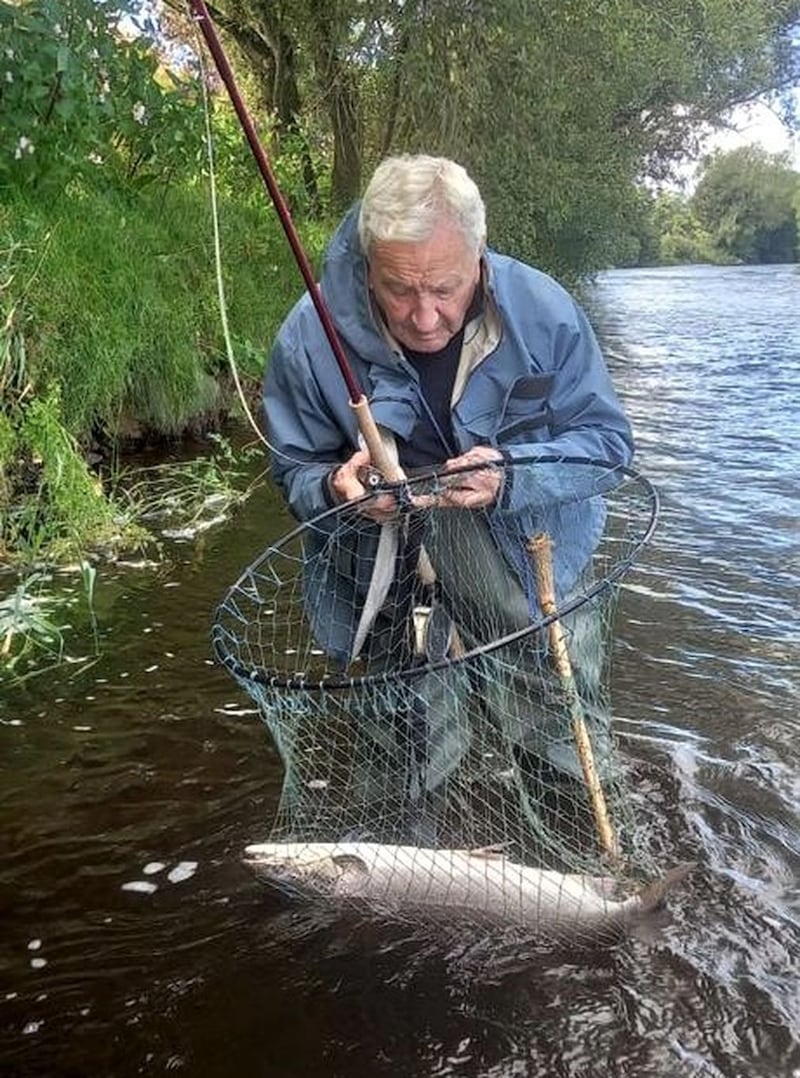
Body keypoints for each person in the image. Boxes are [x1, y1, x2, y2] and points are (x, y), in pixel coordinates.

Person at [263, 154, 633, 844]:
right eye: (399, 290)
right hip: (386, 568)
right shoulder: (308, 340)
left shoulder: (545, 312)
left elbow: (606, 448)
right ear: (369, 261)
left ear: (480, 257)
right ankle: (411, 879)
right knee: (406, 739)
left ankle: (590, 852)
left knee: (557, 716)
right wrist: (337, 490)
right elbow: (293, 472)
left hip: (524, 563)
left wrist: (512, 473)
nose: (426, 316)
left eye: (445, 288)